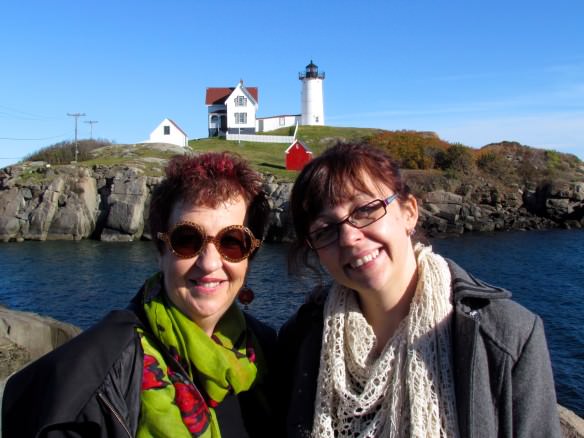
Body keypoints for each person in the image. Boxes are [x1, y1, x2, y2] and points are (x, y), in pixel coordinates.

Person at [278, 142, 561, 437]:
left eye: (365, 210)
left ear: (409, 213)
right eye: (325, 230)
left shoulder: (507, 337)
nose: (349, 238)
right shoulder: (300, 338)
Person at [3, 152, 276, 437]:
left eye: (232, 242)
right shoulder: (96, 371)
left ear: (250, 255)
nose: (209, 263)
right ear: (159, 251)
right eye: (186, 239)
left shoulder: (268, 350)